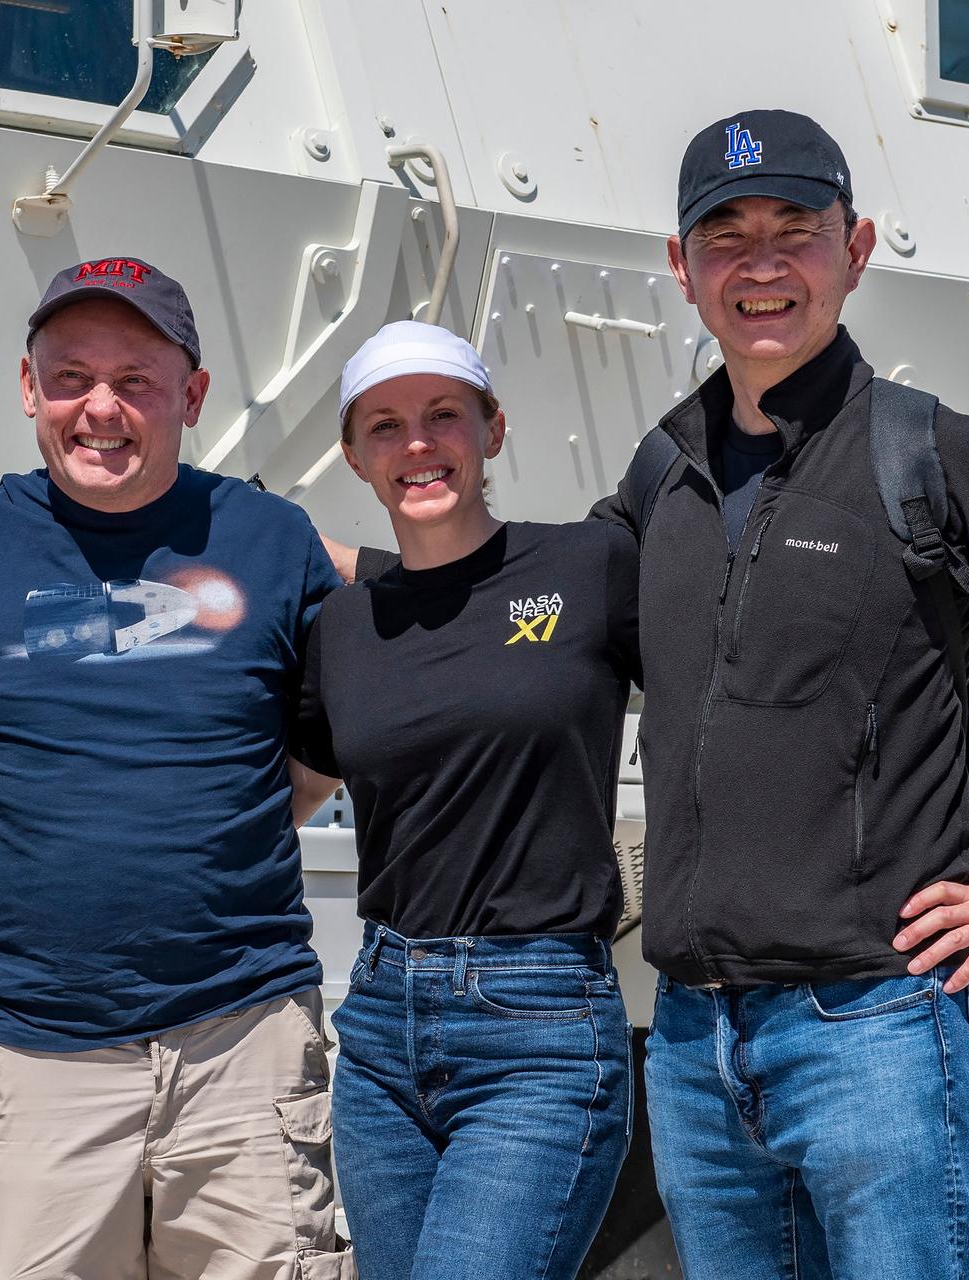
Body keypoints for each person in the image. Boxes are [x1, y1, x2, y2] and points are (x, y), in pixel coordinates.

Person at [590, 110, 969, 1277]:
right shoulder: (664, 471)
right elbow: (541, 610)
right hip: (700, 1041)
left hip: (875, 1036)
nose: (760, 266)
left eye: (793, 232)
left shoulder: (932, 454)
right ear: (681, 268)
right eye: (726, 235)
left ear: (855, 250)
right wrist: (355, 576)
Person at [0, 256, 352, 1280]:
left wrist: (217, 824)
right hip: (39, 1049)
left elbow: (319, 741)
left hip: (242, 1041)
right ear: (30, 388)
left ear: (191, 395)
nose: (99, 407)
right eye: (70, 377)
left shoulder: (270, 538)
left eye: (136, 380)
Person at [289, 321, 639, 1278]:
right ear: (356, 456)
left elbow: (733, 702)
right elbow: (291, 791)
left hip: (540, 1030)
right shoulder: (345, 626)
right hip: (379, 1027)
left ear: (492, 427)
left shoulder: (588, 571)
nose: (418, 443)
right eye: (386, 425)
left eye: (444, 415)